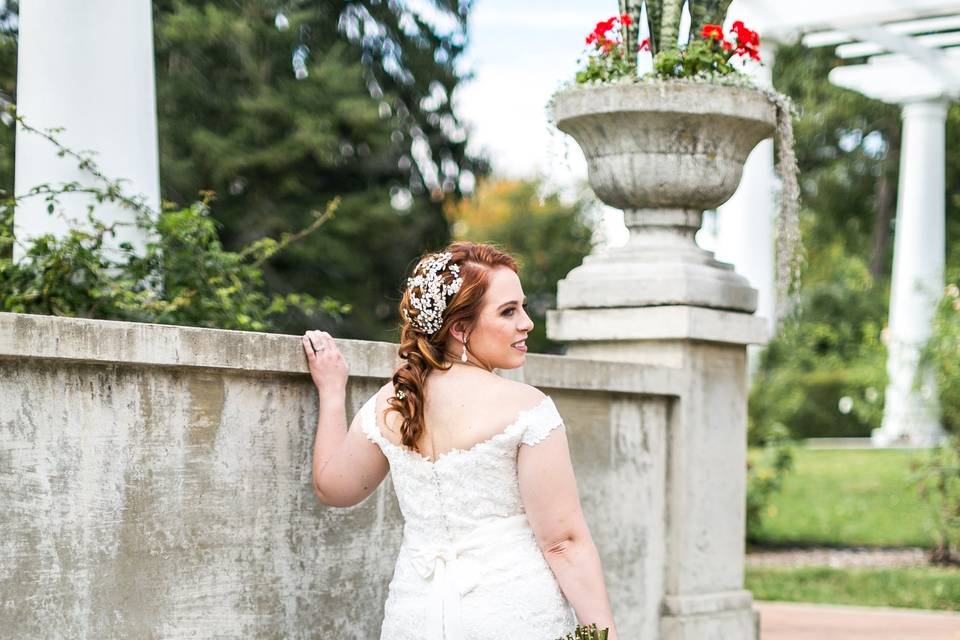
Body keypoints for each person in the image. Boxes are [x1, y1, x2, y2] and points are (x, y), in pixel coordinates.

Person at [301, 241, 619, 640]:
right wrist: (603, 634)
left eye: (521, 307)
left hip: (416, 617)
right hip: (512, 614)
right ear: (460, 328)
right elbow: (563, 543)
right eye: (509, 311)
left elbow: (333, 488)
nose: (527, 323)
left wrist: (332, 393)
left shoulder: (392, 402)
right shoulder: (527, 408)